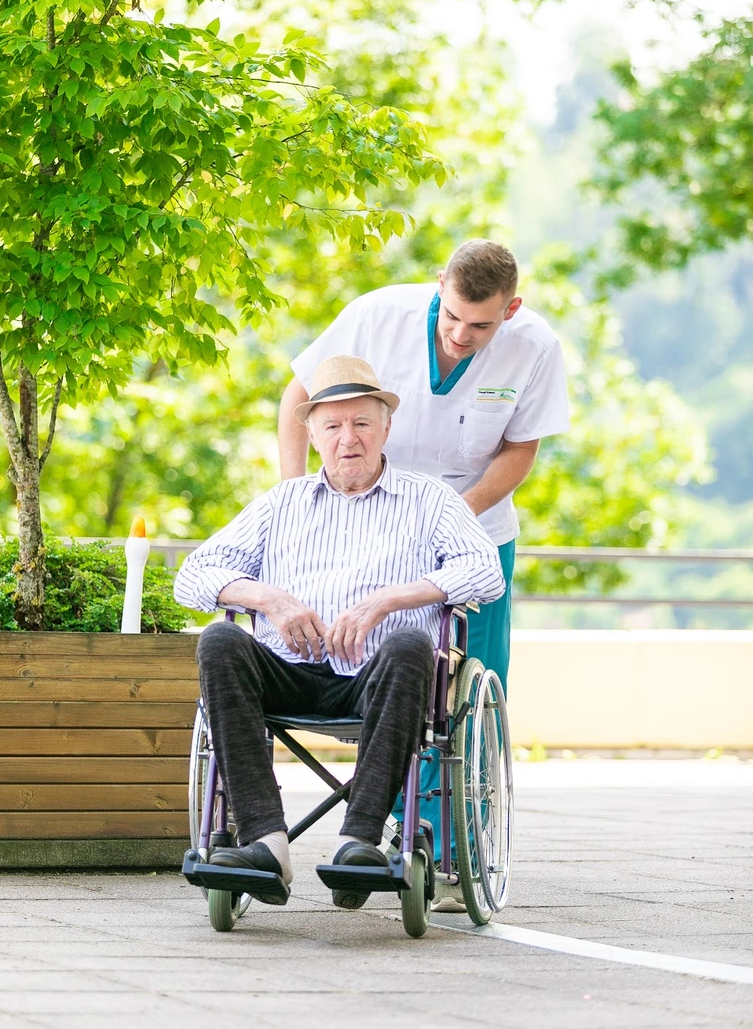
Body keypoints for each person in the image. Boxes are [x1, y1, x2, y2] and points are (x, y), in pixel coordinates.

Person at [174, 356, 505, 910]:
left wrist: (390, 599)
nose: (347, 438)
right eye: (332, 425)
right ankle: (265, 843)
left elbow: (484, 571)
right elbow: (193, 576)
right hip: (289, 672)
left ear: (386, 429)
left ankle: (359, 843)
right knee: (220, 640)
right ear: (312, 433)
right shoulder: (282, 504)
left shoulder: (430, 501)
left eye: (361, 423)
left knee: (408, 643)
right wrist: (269, 599)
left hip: (383, 679)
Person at [279, 239, 570, 697]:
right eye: (452, 316)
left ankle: (465, 771)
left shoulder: (535, 347)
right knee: (377, 666)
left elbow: (520, 449)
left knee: (472, 687)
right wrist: (296, 494)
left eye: (480, 325)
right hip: (370, 518)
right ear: (439, 286)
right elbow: (301, 397)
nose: (459, 336)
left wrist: (448, 516)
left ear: (511, 309)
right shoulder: (378, 315)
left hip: (476, 525)